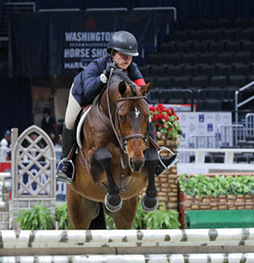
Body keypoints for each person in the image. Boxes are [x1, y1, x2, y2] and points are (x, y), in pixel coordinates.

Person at [56, 30, 176, 183]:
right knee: (70, 121)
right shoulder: (96, 66)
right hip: (82, 93)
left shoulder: (132, 69)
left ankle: (156, 155)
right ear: (112, 53)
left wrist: (138, 96)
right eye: (122, 55)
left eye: (130, 56)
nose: (127, 59)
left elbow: (143, 92)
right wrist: (103, 77)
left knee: (146, 115)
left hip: (115, 103)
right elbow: (88, 92)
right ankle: (66, 163)